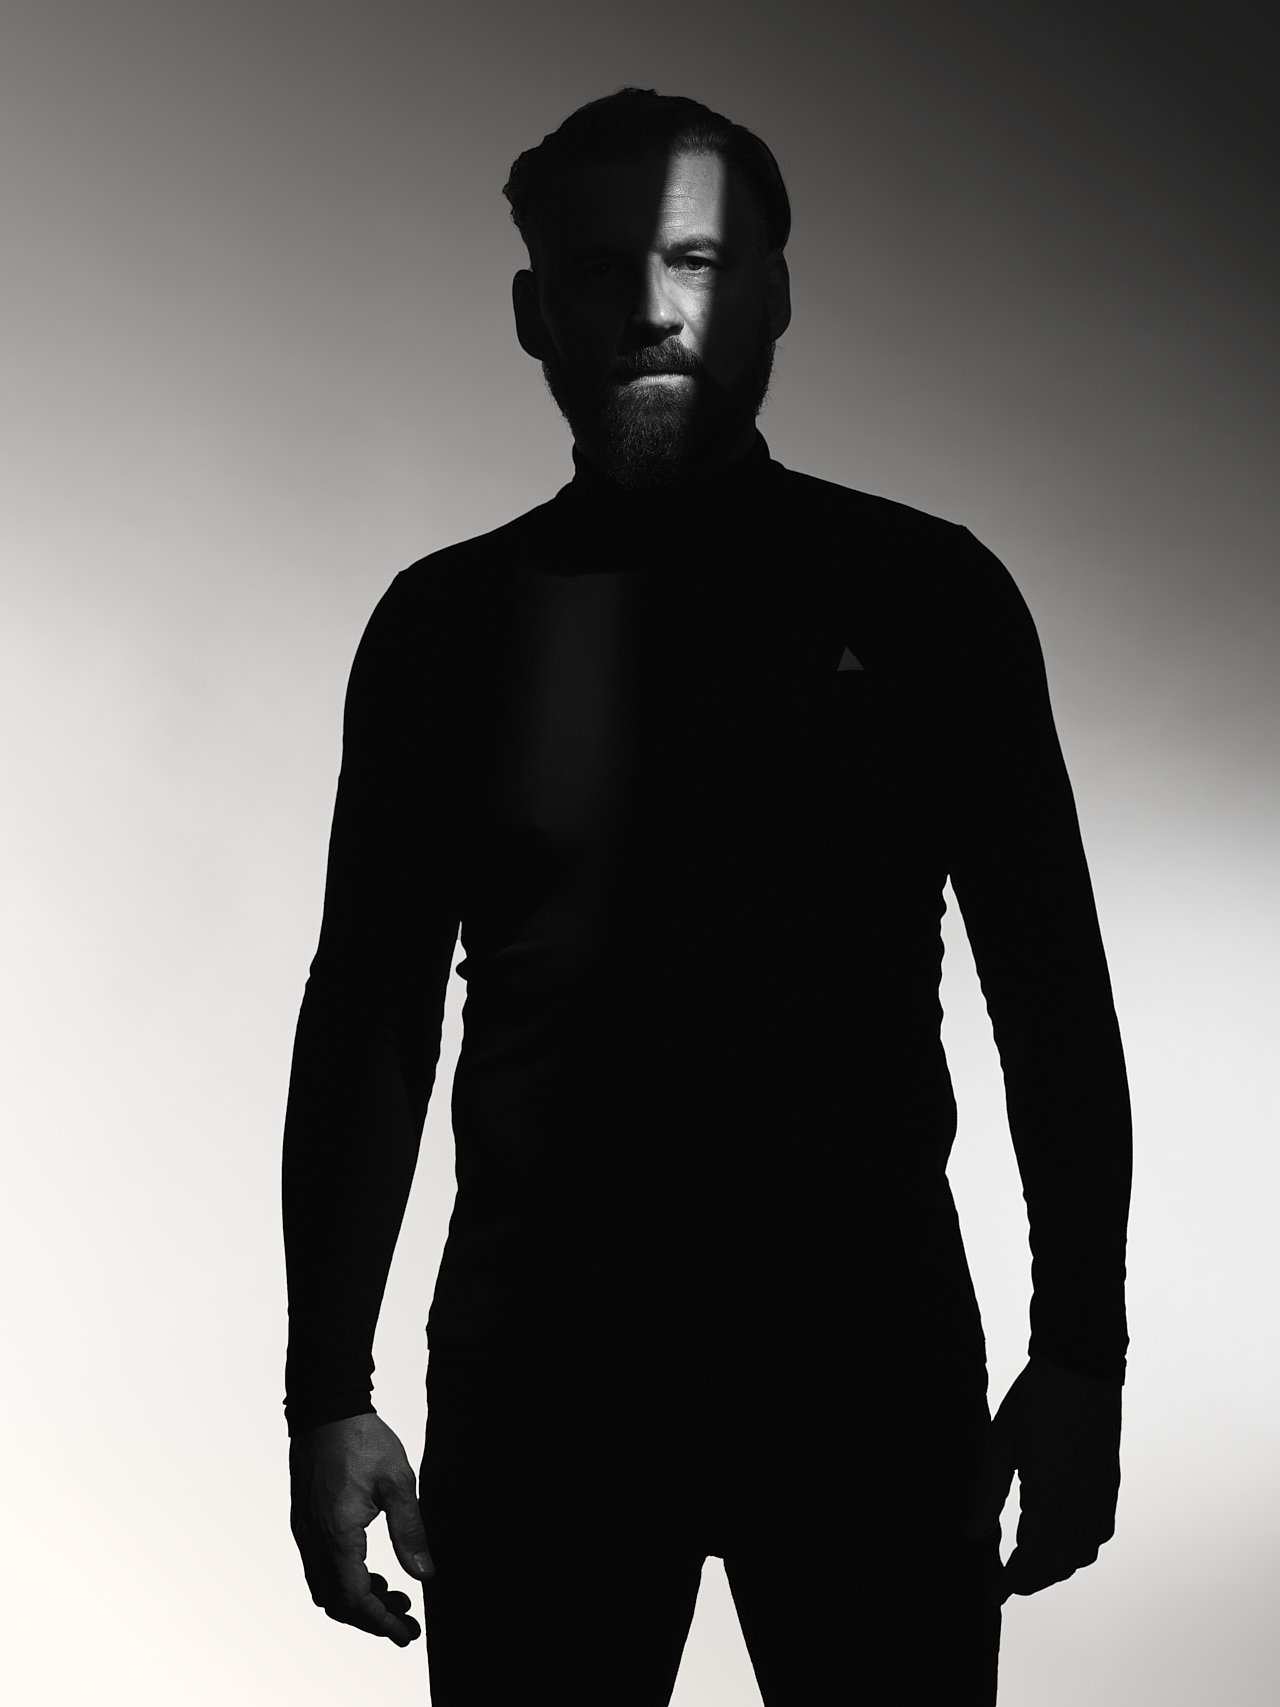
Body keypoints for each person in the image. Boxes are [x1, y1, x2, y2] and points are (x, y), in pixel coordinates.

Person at [283, 88, 1131, 1705]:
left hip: (866, 1367)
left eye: (694, 259)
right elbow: (371, 1011)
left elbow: (1051, 991)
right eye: (598, 268)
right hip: (544, 1381)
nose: (649, 307)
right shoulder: (446, 626)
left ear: (775, 293)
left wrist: (1083, 1352)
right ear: (532, 309)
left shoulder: (928, 595)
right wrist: (326, 1387)